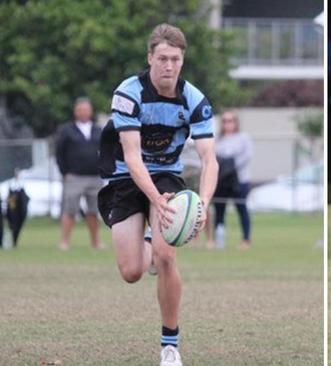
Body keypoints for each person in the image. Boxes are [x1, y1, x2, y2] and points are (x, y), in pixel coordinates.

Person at [97, 23, 218, 366]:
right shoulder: (128, 92)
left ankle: (170, 346)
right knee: (131, 271)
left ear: (183, 61)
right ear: (150, 58)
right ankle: (149, 241)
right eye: (162, 58)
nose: (168, 66)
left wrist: (203, 204)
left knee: (167, 258)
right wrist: (154, 201)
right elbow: (133, 157)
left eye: (175, 59)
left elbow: (210, 159)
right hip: (124, 177)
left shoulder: (194, 99)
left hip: (166, 175)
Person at [55, 97, 104, 251]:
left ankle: (95, 243)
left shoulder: (98, 130)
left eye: (86, 109)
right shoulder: (67, 131)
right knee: (70, 210)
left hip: (95, 177)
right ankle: (64, 242)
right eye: (80, 110)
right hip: (74, 177)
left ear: (90, 111)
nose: (83, 112)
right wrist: (65, 172)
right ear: (75, 112)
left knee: (93, 211)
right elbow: (59, 153)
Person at [207, 110, 253, 250]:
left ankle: (246, 239)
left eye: (231, 120)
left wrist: (230, 167)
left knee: (242, 209)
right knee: (219, 210)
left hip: (239, 180)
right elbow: (212, 155)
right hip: (221, 180)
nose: (228, 123)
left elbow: (247, 156)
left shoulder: (243, 138)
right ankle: (217, 239)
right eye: (225, 121)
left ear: (236, 122)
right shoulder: (217, 139)